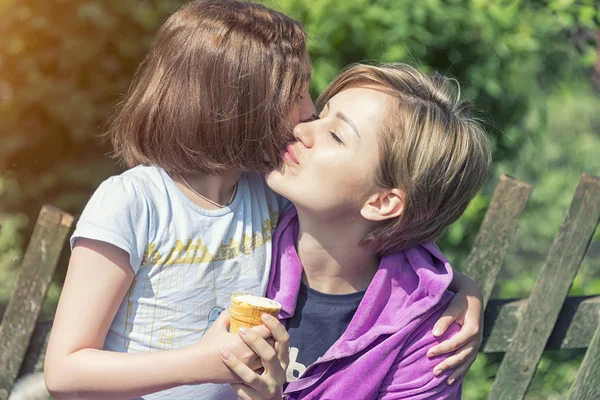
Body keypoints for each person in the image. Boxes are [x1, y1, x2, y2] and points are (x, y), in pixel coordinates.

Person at [44, 1, 482, 399]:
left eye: (333, 131)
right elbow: (63, 370)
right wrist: (198, 364)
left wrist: (460, 291)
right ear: (241, 103)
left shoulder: (268, 200)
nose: (306, 116)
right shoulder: (149, 202)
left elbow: (396, 248)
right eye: (303, 97)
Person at [221, 63, 492, 399]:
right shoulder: (238, 224)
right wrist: (467, 288)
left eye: (336, 135)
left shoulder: (428, 344)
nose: (303, 131)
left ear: (382, 202)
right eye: (321, 115)